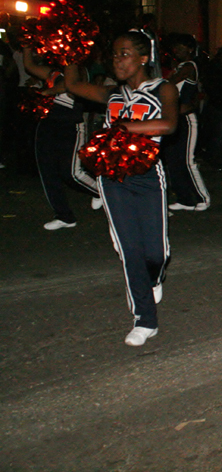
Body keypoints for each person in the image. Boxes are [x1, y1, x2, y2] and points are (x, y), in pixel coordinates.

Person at [65, 30, 179, 347]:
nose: (118, 60)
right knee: (128, 248)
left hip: (147, 175)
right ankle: (145, 319)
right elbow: (73, 84)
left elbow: (168, 125)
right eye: (114, 54)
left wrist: (121, 127)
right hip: (112, 177)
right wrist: (71, 48)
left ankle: (154, 275)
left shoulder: (163, 88)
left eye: (125, 53)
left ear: (143, 58)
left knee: (155, 251)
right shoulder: (111, 94)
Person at [22, 47, 102, 230]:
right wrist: (27, 45)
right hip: (48, 125)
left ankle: (102, 190)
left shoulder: (79, 70)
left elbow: (68, 86)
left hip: (71, 125)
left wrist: (46, 93)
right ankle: (64, 216)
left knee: (72, 173)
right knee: (47, 172)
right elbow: (29, 65)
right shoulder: (53, 72)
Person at [162, 34, 211, 211]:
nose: (177, 50)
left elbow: (171, 83)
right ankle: (184, 199)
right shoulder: (180, 66)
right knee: (173, 159)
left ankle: (202, 197)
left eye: (181, 47)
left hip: (187, 119)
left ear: (190, 49)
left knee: (188, 160)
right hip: (174, 117)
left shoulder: (190, 66)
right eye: (175, 47)